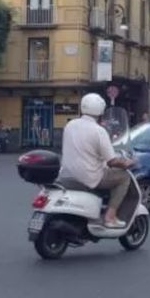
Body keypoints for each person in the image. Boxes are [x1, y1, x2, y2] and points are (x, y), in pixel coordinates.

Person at [58, 93, 136, 228]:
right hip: (90, 176)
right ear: (100, 111)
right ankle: (110, 217)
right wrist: (127, 163)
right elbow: (112, 161)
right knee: (123, 177)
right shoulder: (99, 131)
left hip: (67, 174)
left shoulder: (70, 125)